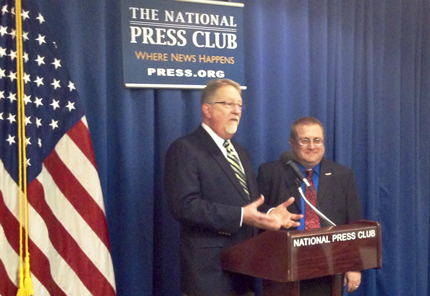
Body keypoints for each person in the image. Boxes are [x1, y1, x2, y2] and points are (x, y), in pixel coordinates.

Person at [164, 79, 303, 296]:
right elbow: (184, 206)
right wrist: (240, 215)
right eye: (228, 104)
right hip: (208, 273)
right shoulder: (185, 149)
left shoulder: (240, 151)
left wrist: (269, 213)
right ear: (207, 109)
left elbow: (249, 205)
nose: (236, 111)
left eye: (239, 105)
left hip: (244, 268)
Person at [257, 116, 363, 295]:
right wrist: (270, 213)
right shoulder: (270, 173)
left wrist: (354, 266)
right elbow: (257, 211)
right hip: (283, 268)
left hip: (329, 268)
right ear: (292, 143)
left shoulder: (342, 175)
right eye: (304, 140)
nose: (312, 146)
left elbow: (353, 223)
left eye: (317, 140)